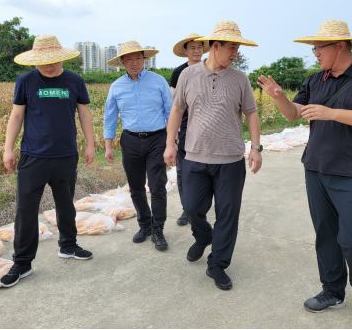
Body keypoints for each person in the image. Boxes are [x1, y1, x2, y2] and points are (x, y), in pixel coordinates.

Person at [257, 20, 352, 324]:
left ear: (340, 46)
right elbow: (294, 113)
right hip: (316, 168)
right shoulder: (315, 80)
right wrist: (279, 96)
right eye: (314, 49)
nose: (316, 53)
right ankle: (332, 290)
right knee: (326, 235)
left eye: (319, 48)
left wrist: (331, 113)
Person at [164, 20, 263, 291]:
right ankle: (203, 236)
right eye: (231, 48)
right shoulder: (188, 75)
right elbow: (177, 110)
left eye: (238, 49)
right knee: (192, 208)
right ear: (215, 46)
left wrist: (256, 148)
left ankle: (217, 263)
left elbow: (251, 113)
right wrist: (170, 143)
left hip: (230, 160)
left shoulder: (240, 78)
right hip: (195, 156)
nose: (235, 54)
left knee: (228, 214)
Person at [1, 35, 96, 288]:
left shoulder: (75, 81)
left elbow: (84, 114)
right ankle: (23, 262)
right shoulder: (26, 81)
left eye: (53, 61)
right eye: (43, 62)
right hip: (33, 156)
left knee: (66, 204)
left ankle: (68, 246)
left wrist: (90, 145)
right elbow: (16, 116)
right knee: (25, 210)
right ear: (35, 61)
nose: (48, 66)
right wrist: (8, 149)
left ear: (61, 58)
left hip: (66, 155)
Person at [104, 41, 173, 251]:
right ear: (122, 62)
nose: (135, 63)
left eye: (138, 58)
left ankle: (158, 228)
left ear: (145, 59)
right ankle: (145, 225)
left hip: (157, 139)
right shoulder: (116, 87)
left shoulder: (158, 81)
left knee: (157, 185)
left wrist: (172, 141)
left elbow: (171, 111)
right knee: (135, 187)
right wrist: (108, 146)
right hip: (130, 140)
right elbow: (110, 117)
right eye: (130, 59)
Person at [169, 34, 210, 226]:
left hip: (207, 128)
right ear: (185, 51)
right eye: (192, 47)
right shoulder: (179, 73)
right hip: (186, 128)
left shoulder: (210, 68)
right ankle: (187, 209)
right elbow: (175, 105)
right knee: (184, 171)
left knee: (206, 170)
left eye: (199, 47)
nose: (196, 50)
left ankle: (201, 209)